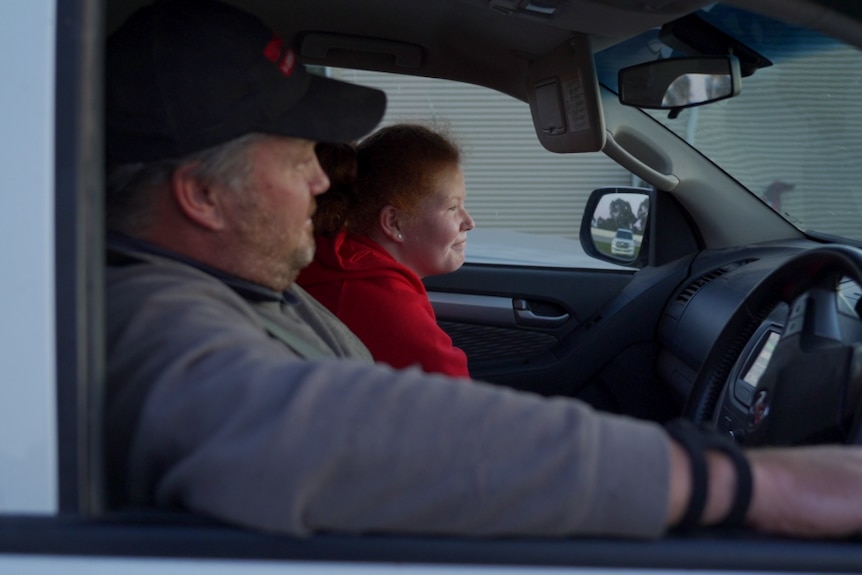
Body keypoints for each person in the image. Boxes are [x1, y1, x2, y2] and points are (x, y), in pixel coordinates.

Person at [104, 0, 862, 541]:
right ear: (201, 194)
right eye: (300, 154)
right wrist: (743, 484)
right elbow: (327, 432)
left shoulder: (246, 286)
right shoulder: (149, 315)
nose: (323, 181)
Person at [297, 125, 474, 377]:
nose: (469, 221)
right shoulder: (387, 303)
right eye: (451, 208)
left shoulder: (333, 259)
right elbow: (459, 401)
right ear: (394, 222)